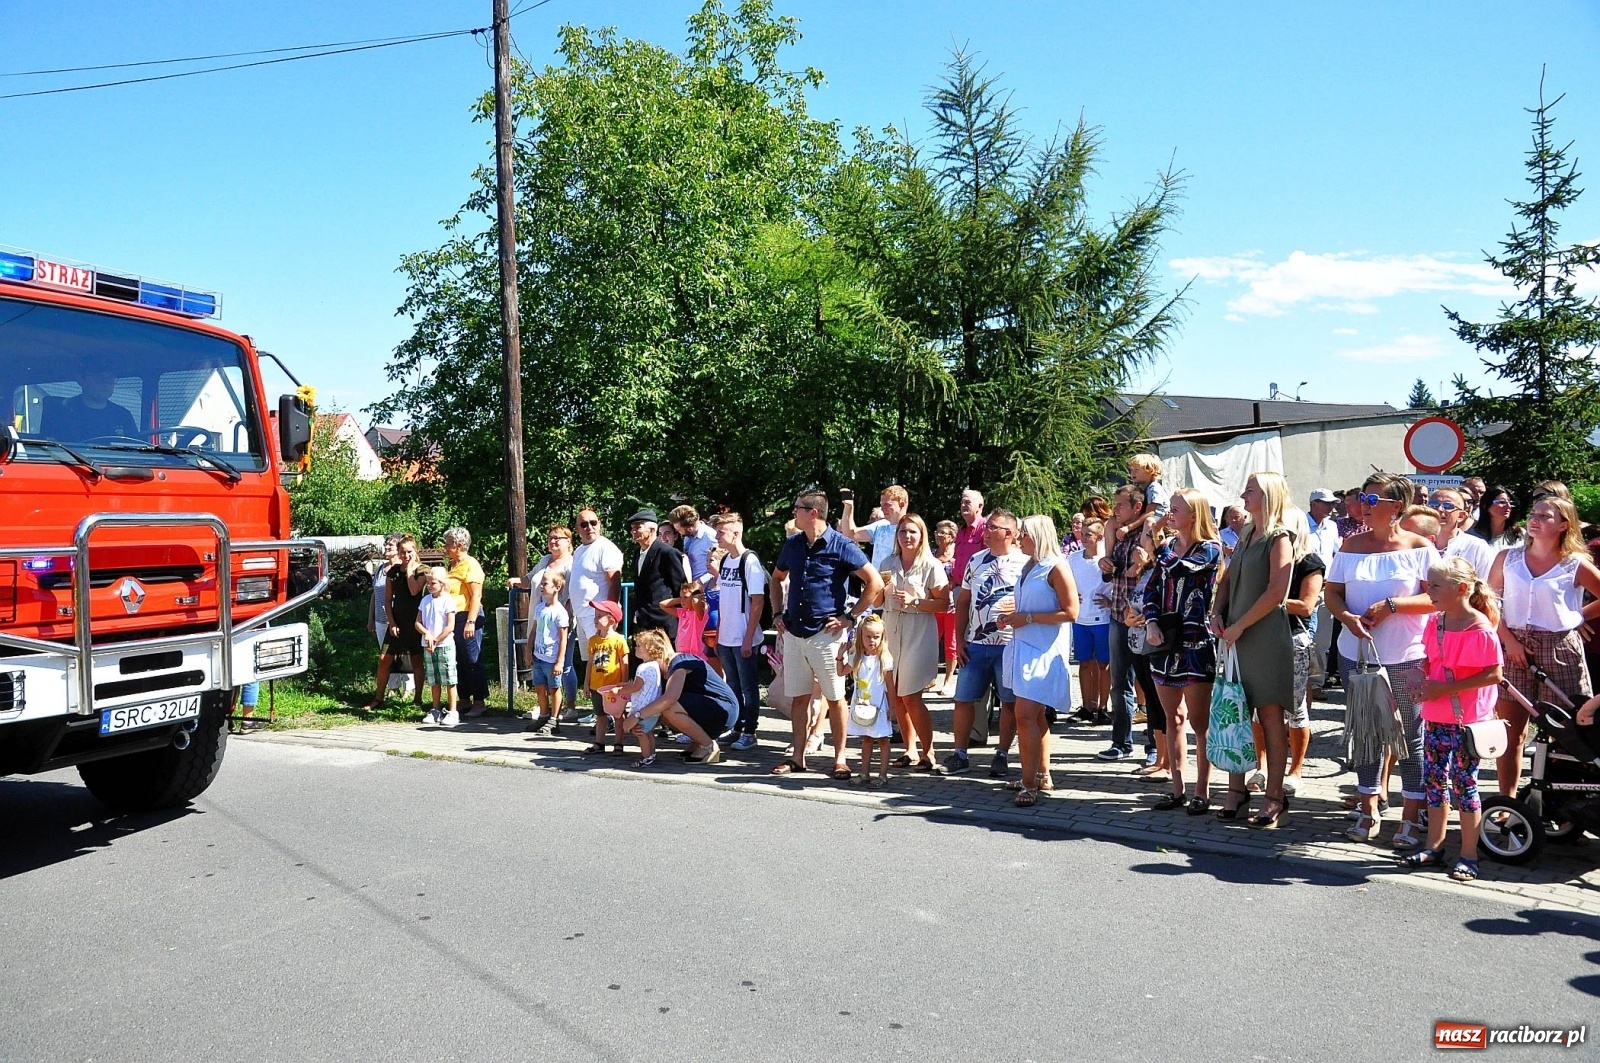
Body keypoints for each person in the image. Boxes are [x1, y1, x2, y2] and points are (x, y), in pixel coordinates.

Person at [1324, 472, 1440, 846]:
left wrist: (1394, 606)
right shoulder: (1349, 546)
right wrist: (1346, 617)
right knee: (1368, 733)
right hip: (1356, 654)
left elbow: (1439, 598)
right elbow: (1332, 594)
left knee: (1411, 734)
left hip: (1406, 656)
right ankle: (1368, 808)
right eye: (1362, 498)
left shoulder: (1420, 547)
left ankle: (1410, 815)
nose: (1362, 506)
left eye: (1373, 501)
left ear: (1396, 508)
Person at [1398, 556, 1504, 883]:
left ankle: (1469, 855)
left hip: (1468, 722)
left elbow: (1494, 674)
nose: (1428, 591)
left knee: (1464, 784)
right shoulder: (1437, 622)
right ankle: (1434, 847)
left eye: (1435, 586)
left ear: (1460, 588)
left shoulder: (1479, 628)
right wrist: (1420, 675)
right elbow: (1431, 661)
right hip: (1437, 716)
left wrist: (1446, 687)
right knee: (1434, 780)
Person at [1488, 494, 1600, 796]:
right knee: (1512, 731)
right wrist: (1508, 641)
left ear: (1564, 525)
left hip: (1559, 649)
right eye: (1533, 513)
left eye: (1545, 516)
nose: (1534, 519)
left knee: (1568, 732)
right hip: (1513, 645)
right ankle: (1507, 801)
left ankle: (1563, 801)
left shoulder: (1574, 564)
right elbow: (1489, 603)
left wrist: (1577, 617)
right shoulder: (1507, 558)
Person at [768, 490, 883, 778]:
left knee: (835, 698)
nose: (793, 512)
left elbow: (875, 582)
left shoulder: (842, 545)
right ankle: (798, 757)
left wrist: (850, 617)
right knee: (799, 698)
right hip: (794, 633)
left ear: (813, 513)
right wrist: (777, 613)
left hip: (826, 633)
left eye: (797, 508)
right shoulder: (793, 544)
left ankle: (840, 758)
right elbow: (776, 578)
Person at [1209, 472, 1298, 827]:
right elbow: (1227, 579)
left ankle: (1274, 797)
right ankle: (1236, 790)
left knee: (1271, 717)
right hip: (1234, 635)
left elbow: (1277, 593)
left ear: (1269, 495)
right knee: (1235, 712)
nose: (1243, 495)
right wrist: (1217, 613)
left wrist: (1239, 625)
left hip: (1263, 637)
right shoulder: (1246, 534)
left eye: (1251, 490)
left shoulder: (1280, 538)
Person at [1144, 490, 1223, 815]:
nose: (1170, 513)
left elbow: (1179, 569)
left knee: (1199, 722)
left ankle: (1202, 791)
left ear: (1195, 514)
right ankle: (1177, 788)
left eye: (1176, 509)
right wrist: (1149, 622)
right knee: (1171, 718)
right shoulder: (1166, 549)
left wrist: (1155, 535)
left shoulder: (1209, 549)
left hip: (1195, 642)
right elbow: (1152, 589)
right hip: (1164, 641)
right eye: (1169, 509)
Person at [999, 514, 1079, 807]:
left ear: (1040, 535)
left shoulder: (1056, 566)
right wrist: (1011, 618)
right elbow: (1028, 606)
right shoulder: (1029, 565)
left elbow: (1072, 612)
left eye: (1025, 534)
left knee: (1024, 715)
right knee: (1033, 716)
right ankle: (1040, 774)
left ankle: (1029, 783)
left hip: (1044, 652)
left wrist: (1028, 618)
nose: (1020, 539)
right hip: (1026, 648)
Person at [941, 508, 1026, 776]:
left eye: (993, 527)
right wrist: (960, 639)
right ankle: (959, 754)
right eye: (987, 526)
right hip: (976, 643)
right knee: (964, 699)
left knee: (1010, 702)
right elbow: (963, 601)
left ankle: (1002, 754)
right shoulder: (975, 560)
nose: (987, 531)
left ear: (1010, 534)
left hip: (1009, 644)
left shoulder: (1025, 563)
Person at [878, 514, 950, 770]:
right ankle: (909, 750)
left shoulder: (931, 565)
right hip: (891, 627)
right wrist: (879, 592)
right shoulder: (888, 562)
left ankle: (928, 751)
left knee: (911, 695)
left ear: (922, 536)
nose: (907, 537)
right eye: (902, 532)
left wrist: (915, 601)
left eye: (912, 532)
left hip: (919, 629)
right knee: (895, 694)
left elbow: (944, 603)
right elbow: (877, 601)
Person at [1098, 486, 1163, 765]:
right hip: (1117, 614)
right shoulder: (1116, 532)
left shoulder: (1147, 530)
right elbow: (1111, 575)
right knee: (1119, 682)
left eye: (1121, 505)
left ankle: (1155, 745)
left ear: (1137, 507)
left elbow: (1157, 569)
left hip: (1141, 618)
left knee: (1149, 684)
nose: (1115, 510)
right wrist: (1106, 566)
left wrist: (1145, 562)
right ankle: (1121, 742)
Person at [632, 639, 741, 766]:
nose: (635, 648)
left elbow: (670, 698)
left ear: (653, 650)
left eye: (640, 646)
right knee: (661, 710)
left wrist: (637, 716)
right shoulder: (659, 672)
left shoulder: (680, 662)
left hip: (724, 710)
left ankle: (708, 746)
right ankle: (698, 742)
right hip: (711, 710)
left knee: (668, 708)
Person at [710, 513, 767, 752]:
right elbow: (724, 599)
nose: (717, 537)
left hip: (744, 636)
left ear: (735, 533)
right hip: (726, 637)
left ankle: (750, 731)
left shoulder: (749, 560)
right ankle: (737, 727)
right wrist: (719, 632)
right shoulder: (725, 562)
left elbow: (757, 601)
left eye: (721, 532)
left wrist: (748, 637)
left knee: (748, 686)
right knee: (732, 685)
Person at [1281, 515, 1325, 795]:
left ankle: (1295, 770)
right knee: (1262, 709)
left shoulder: (1309, 562)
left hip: (1293, 638)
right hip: (1263, 637)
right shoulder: (1265, 556)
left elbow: (1307, 606)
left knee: (1296, 708)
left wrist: (1268, 601)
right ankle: (1262, 767)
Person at [369, 535, 427, 712]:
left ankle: (417, 699)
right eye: (403, 552)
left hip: (415, 622)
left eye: (409, 551)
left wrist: (409, 569)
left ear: (415, 551)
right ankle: (378, 698)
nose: (406, 555)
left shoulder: (422, 570)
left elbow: (414, 589)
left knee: (416, 660)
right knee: (384, 659)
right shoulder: (392, 572)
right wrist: (392, 622)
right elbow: (387, 600)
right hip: (397, 621)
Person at [571, 508, 625, 694]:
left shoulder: (605, 548)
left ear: (600, 524)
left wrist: (609, 616)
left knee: (606, 663)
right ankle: (598, 708)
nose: (589, 527)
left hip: (600, 617)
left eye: (593, 522)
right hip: (583, 616)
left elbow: (615, 581)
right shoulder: (579, 551)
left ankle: (609, 709)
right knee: (592, 662)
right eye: (584, 524)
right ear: (577, 528)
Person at [602, 629, 670, 768]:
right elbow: (643, 684)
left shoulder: (643, 668)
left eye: (639, 646)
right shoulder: (655, 666)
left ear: (649, 649)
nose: (636, 648)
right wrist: (627, 684)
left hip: (642, 708)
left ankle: (646, 757)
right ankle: (651, 754)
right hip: (652, 708)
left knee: (640, 732)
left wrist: (619, 690)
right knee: (647, 731)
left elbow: (636, 687)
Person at [1067, 519, 1112, 724]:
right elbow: (1067, 582)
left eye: (1088, 535)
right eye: (1082, 533)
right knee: (1084, 663)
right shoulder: (1073, 558)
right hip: (1080, 618)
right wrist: (1072, 597)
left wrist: (1110, 600)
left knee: (1104, 664)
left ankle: (1103, 707)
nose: (1083, 538)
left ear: (1100, 537)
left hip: (1102, 619)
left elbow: (1116, 582)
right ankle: (1087, 706)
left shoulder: (1106, 558)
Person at [842, 615, 895, 788]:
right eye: (868, 636)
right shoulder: (857, 657)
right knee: (865, 738)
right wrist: (840, 655)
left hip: (879, 707)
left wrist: (892, 708)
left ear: (882, 637)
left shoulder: (884, 659)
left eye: (876, 636)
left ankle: (883, 775)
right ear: (861, 636)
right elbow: (841, 672)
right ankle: (864, 773)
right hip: (862, 706)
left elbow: (890, 685)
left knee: (882, 739)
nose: (872, 640)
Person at [442, 527, 488, 716]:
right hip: (454, 617)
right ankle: (463, 699)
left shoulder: (471, 565)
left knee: (471, 659)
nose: (445, 547)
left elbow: (476, 596)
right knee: (457, 659)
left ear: (459, 545)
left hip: (468, 615)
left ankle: (479, 701)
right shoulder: (452, 565)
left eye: (448, 544)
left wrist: (471, 621)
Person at [627, 509, 687, 646]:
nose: (633, 531)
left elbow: (680, 587)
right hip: (643, 622)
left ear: (652, 529)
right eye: (632, 528)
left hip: (663, 622)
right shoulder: (637, 553)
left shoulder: (667, 553)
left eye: (638, 527)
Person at [583, 600, 630, 755]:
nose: (595, 619)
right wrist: (586, 684)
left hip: (614, 687)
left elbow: (624, 663)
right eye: (595, 616)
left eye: (600, 616)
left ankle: (618, 743)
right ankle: (599, 742)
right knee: (600, 715)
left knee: (617, 715)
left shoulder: (618, 640)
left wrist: (623, 684)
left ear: (611, 620)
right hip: (597, 686)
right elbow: (590, 663)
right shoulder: (593, 640)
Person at [47, 365, 139, 441]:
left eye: (110, 377)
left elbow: (136, 451)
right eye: (98, 377)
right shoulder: (62, 413)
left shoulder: (123, 415)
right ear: (80, 379)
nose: (106, 382)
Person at [416, 566, 459, 727]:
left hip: (445, 645)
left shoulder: (448, 600)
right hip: (428, 645)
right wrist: (426, 634)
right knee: (434, 679)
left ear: (442, 583)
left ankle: (453, 711)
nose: (429, 585)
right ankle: (435, 709)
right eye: (427, 582)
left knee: (449, 678)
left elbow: (450, 626)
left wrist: (437, 640)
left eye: (432, 583)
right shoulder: (425, 600)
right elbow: (418, 622)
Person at [529, 569, 570, 731]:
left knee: (554, 688)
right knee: (539, 688)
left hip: (551, 658)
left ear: (557, 587)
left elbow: (563, 638)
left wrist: (560, 661)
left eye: (545, 583)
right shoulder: (540, 608)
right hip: (538, 656)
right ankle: (543, 715)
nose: (541, 586)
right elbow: (534, 630)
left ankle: (554, 720)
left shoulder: (560, 612)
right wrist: (528, 650)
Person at [1428, 486, 1498, 579]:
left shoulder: (1476, 546)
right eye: (1433, 505)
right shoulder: (1416, 544)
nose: (1439, 509)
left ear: (1461, 516)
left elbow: (1488, 586)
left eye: (1448, 506)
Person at [840, 485, 910, 568]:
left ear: (902, 505)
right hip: (878, 580)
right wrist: (848, 507)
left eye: (887, 505)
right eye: (881, 505)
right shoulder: (880, 525)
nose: (882, 508)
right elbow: (850, 534)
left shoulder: (912, 528)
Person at [932, 519, 961, 697]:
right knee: (930, 642)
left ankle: (949, 680)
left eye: (942, 533)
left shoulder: (958, 555)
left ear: (952, 536)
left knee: (951, 644)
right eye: (937, 532)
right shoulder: (931, 554)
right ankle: (930, 676)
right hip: (934, 604)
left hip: (953, 606)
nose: (938, 535)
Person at [1122, 452, 1171, 542]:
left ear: (1150, 471)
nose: (1132, 473)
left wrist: (1129, 527)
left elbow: (1151, 513)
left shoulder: (1154, 488)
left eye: (1136, 470)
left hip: (1160, 523)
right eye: (1131, 470)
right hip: (1144, 522)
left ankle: (1147, 550)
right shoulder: (1138, 487)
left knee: (1149, 521)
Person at [368, 535, 401, 650]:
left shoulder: (402, 569)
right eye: (385, 544)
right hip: (380, 621)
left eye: (390, 545)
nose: (386, 547)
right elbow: (374, 595)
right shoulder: (380, 569)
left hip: (398, 621)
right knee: (384, 654)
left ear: (398, 548)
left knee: (399, 657)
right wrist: (370, 620)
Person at [952, 489, 988, 590]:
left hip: (977, 589)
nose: (963, 505)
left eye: (967, 502)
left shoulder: (986, 529)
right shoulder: (961, 531)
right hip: (959, 588)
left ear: (980, 506)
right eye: (962, 503)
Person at [1307, 488, 1341, 561]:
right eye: (1326, 503)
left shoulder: (1332, 526)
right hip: (1306, 572)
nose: (1331, 507)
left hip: (1329, 571)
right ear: (1314, 504)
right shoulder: (1301, 524)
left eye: (1332, 503)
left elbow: (1337, 551)